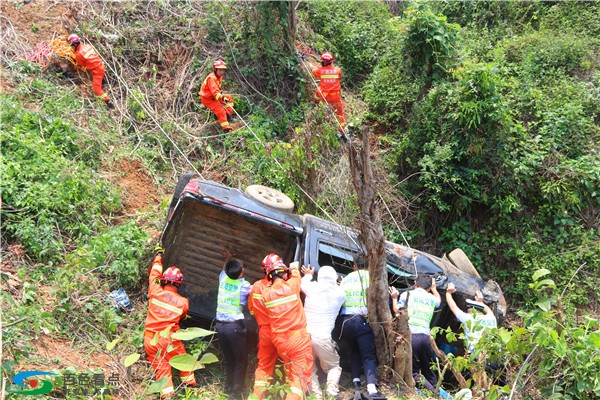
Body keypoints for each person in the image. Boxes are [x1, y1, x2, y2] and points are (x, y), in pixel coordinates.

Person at [143, 246, 197, 399]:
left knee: (161, 367)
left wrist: (159, 256)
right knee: (183, 358)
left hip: (150, 339)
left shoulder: (155, 291)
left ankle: (167, 395)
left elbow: (154, 273)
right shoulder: (183, 302)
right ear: (179, 283)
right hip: (169, 339)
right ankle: (190, 387)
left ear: (163, 280)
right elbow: (183, 315)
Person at [390, 275, 452, 399]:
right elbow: (439, 301)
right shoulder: (431, 298)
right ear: (429, 288)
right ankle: (445, 396)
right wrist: (434, 288)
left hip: (412, 336)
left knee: (413, 372)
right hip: (426, 338)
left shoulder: (407, 295)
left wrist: (394, 298)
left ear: (415, 283)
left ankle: (427, 395)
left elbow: (397, 312)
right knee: (428, 371)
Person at [261, 255, 313, 400]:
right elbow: (296, 273)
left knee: (291, 374)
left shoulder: (266, 294)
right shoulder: (292, 286)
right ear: (284, 273)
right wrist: (294, 268)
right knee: (300, 379)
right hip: (298, 340)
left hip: (280, 342)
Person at [336, 255, 382, 398]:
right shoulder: (372, 277)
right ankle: (371, 388)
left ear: (354, 266)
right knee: (368, 355)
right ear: (369, 266)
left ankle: (356, 381)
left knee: (354, 350)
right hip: (361, 320)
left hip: (345, 321)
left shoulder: (346, 279)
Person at [300, 265, 346, 400]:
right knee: (334, 366)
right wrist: (340, 284)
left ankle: (316, 396)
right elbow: (341, 290)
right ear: (335, 278)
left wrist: (308, 274)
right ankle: (332, 392)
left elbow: (302, 284)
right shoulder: (340, 294)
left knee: (308, 368)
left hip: (306, 336)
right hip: (323, 338)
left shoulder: (312, 288)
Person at [215, 255, 252, 398]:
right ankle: (236, 392)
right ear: (241, 272)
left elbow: (224, 269)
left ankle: (228, 387)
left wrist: (228, 258)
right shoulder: (244, 286)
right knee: (240, 360)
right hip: (234, 328)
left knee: (229, 359)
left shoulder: (222, 278)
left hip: (220, 327)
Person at [248, 254, 280, 399]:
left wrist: (261, 319)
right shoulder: (281, 287)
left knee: (264, 365)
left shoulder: (255, 287)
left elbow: (252, 310)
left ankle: (258, 396)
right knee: (292, 364)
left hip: (265, 331)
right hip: (282, 331)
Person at [445, 283, 497, 355]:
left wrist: (448, 292)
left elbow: (453, 307)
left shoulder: (468, 318)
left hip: (478, 355)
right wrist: (480, 302)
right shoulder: (491, 318)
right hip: (494, 355)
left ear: (470, 310)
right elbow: (488, 310)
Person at [66, 34, 114, 109]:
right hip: (101, 65)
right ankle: (103, 82)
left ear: (75, 44)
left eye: (71, 45)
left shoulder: (78, 55)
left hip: (97, 72)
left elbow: (81, 65)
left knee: (97, 90)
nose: (71, 47)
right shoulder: (87, 46)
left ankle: (109, 104)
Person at [312, 52, 346, 132]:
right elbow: (339, 76)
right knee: (340, 114)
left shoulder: (321, 70)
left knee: (318, 90)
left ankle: (316, 103)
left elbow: (314, 72)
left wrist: (311, 67)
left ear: (323, 62)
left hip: (325, 96)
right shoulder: (338, 70)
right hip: (336, 97)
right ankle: (341, 131)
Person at [199, 59, 234, 133]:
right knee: (220, 111)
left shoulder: (219, 77)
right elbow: (215, 93)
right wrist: (222, 98)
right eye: (220, 70)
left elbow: (218, 90)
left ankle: (228, 115)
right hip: (207, 99)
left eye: (223, 70)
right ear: (215, 69)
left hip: (213, 96)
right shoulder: (212, 78)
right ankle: (226, 129)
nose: (222, 72)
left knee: (229, 98)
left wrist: (223, 97)